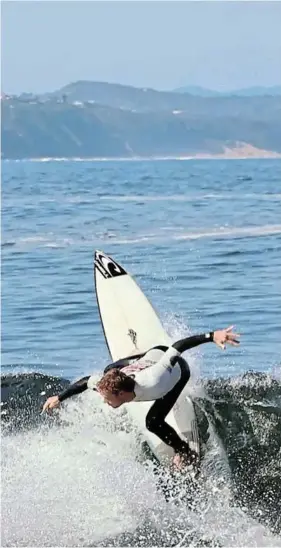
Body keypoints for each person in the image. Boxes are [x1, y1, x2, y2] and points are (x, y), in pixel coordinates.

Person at [43, 325, 240, 469]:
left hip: (175, 371)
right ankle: (136, 356)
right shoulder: (110, 386)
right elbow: (86, 382)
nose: (104, 400)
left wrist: (213, 335)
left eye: (107, 397)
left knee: (153, 421)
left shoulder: (154, 380)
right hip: (144, 360)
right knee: (108, 370)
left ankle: (183, 451)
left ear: (121, 393)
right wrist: (59, 398)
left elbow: (178, 347)